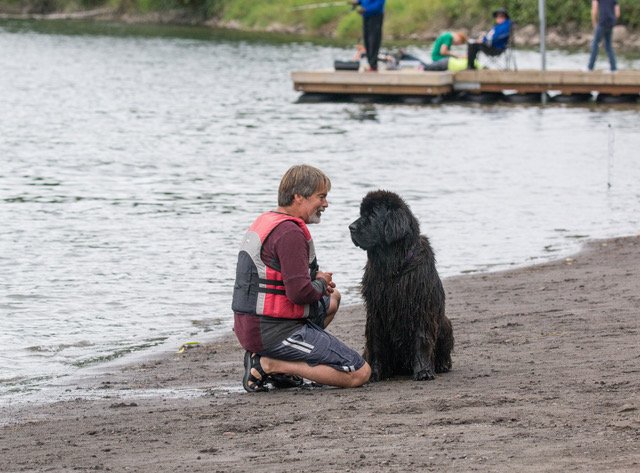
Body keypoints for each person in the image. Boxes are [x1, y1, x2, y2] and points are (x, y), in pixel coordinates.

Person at [232, 164, 371, 392]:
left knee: (333, 298)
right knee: (359, 373)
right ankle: (270, 364)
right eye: (321, 197)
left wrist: (318, 282)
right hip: (273, 331)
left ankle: (278, 367)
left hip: (249, 327)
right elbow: (299, 294)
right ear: (298, 197)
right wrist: (321, 282)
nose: (325, 204)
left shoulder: (269, 221)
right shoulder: (290, 233)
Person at [586, 0, 620, 72]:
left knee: (595, 43)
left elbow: (594, 11)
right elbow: (617, 14)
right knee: (608, 45)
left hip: (602, 22)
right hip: (611, 23)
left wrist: (594, 24)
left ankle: (590, 67)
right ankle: (613, 68)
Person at [352, 0, 386, 71]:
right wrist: (358, 2)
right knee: (366, 39)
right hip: (366, 16)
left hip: (376, 16)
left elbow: (379, 3)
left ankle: (373, 65)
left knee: (374, 40)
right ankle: (370, 64)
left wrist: (366, 9)